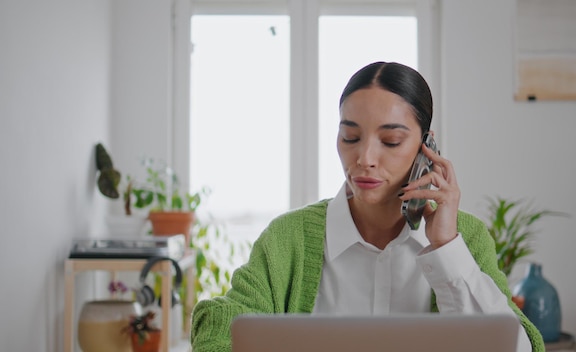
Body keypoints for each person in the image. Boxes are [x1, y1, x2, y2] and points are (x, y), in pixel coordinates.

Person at [191, 62, 544, 352]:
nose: (365, 159)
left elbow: (518, 346)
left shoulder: (465, 237)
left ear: (427, 147)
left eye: (390, 141)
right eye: (351, 137)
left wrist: (447, 249)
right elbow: (229, 322)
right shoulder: (289, 239)